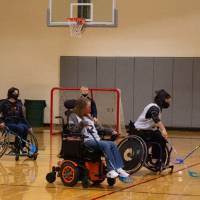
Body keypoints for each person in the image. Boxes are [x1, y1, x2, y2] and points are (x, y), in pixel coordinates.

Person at [68, 98, 131, 182]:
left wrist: (111, 131)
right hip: (86, 141)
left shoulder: (89, 117)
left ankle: (118, 168)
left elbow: (99, 128)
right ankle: (111, 170)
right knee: (106, 144)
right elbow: (72, 130)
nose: (91, 109)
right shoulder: (73, 116)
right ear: (82, 107)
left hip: (96, 140)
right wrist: (81, 124)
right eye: (89, 107)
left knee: (112, 144)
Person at [134, 89, 172, 162]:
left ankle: (158, 159)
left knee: (161, 137)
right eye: (168, 101)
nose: (169, 103)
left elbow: (154, 123)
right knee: (158, 137)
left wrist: (160, 131)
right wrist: (163, 130)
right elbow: (155, 118)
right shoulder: (153, 107)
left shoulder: (158, 108)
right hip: (139, 131)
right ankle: (156, 159)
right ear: (163, 99)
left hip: (146, 130)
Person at [0, 87, 32, 151]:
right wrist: (1, 122)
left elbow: (22, 116)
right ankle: (16, 146)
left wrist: (29, 126)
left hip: (18, 121)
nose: (17, 94)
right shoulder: (3, 103)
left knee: (25, 127)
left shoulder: (19, 103)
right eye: (15, 93)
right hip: (8, 122)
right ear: (11, 93)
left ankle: (22, 146)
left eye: (17, 93)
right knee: (20, 128)